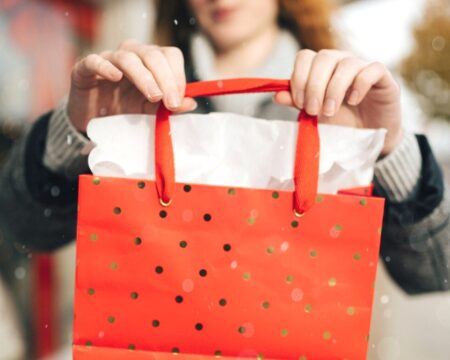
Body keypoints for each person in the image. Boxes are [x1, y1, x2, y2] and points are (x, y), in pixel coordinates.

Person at [0, 0, 448, 295]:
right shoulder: (136, 92)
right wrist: (77, 133)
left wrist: (389, 150)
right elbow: (24, 228)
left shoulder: (348, 96)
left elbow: (436, 271)